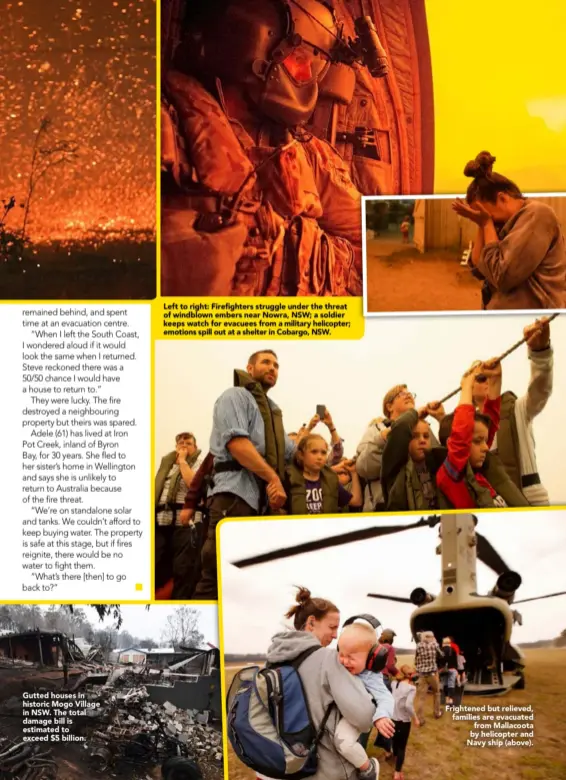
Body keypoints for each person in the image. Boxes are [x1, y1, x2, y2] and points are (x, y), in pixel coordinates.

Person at [161, 0, 364, 297]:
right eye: (299, 57)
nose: (308, 74)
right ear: (251, 42)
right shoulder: (165, 130)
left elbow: (379, 237)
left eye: (314, 62)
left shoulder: (307, 153)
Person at [193, 350, 295, 599]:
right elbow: (237, 444)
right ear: (250, 369)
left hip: (259, 508)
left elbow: (294, 454)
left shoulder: (272, 415)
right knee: (216, 578)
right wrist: (273, 479)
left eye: (277, 365)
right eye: (266, 362)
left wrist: (337, 462)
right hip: (233, 497)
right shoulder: (235, 396)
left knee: (241, 583)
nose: (272, 368)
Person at [265, 588, 378, 780]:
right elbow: (364, 716)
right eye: (332, 627)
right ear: (311, 623)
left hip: (289, 765)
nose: (335, 635)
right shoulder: (328, 659)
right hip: (327, 770)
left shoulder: (272, 660)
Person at [452, 151, 566, 310]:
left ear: (503, 198)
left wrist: (486, 223)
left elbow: (501, 275)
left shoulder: (537, 215)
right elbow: (480, 269)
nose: (490, 220)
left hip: (535, 323)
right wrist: (482, 224)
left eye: (488, 213)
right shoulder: (502, 223)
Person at [474, 318, 553, 505]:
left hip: (531, 500)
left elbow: (540, 390)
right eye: (479, 377)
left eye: (488, 377)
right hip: (494, 505)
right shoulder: (464, 428)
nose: (486, 381)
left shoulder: (516, 410)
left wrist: (540, 354)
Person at [436, 361, 530, 509]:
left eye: (485, 441)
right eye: (478, 441)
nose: (486, 447)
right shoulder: (452, 476)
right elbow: (462, 433)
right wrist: (467, 385)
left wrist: (495, 379)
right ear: (451, 444)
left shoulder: (480, 473)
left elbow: (490, 420)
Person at [334, 622, 395, 780]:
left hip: (352, 718)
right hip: (337, 713)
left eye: (351, 657)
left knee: (344, 744)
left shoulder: (371, 677)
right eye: (341, 654)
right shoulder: (339, 666)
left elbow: (385, 697)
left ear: (371, 659)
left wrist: (382, 715)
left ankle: (368, 769)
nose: (344, 661)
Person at [356, 385, 427, 511]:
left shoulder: (423, 428)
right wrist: (384, 439)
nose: (408, 395)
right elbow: (363, 467)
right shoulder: (375, 431)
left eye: (410, 393)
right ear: (389, 407)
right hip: (385, 507)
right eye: (401, 394)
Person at [154, 432, 205, 592]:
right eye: (180, 443)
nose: (183, 445)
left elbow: (194, 485)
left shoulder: (199, 464)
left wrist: (183, 461)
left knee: (183, 569)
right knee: (155, 564)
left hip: (185, 525)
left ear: (195, 447)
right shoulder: (166, 466)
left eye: (188, 443)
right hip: (161, 524)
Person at [380, 400, 445, 510]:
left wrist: (441, 417)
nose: (422, 441)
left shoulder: (439, 463)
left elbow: (456, 445)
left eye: (426, 436)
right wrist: (415, 413)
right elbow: (401, 427)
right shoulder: (394, 469)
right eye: (415, 436)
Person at [284, 434, 362, 514]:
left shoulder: (331, 480)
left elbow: (356, 502)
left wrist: (354, 473)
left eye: (323, 453)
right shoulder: (289, 477)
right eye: (314, 452)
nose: (320, 457)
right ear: (301, 455)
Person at [390, 666, 419, 780]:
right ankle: (397, 773)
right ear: (411, 675)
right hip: (403, 721)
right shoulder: (411, 688)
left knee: (395, 741)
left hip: (392, 718)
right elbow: (408, 705)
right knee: (402, 746)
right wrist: (415, 718)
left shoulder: (393, 683)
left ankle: (395, 756)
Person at [414, 631, 443, 725]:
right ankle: (437, 712)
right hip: (432, 674)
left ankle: (420, 719)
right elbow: (442, 655)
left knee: (421, 697)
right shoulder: (434, 644)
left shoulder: (418, 645)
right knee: (437, 693)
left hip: (422, 674)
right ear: (431, 637)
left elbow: (416, 659)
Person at [439, 638, 458, 705]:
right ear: (449, 643)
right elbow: (456, 661)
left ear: (443, 643)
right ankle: (451, 700)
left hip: (443, 669)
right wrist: (456, 669)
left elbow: (438, 661)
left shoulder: (440, 650)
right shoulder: (453, 650)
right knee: (451, 684)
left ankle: (446, 699)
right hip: (452, 669)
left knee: (445, 684)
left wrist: (440, 669)